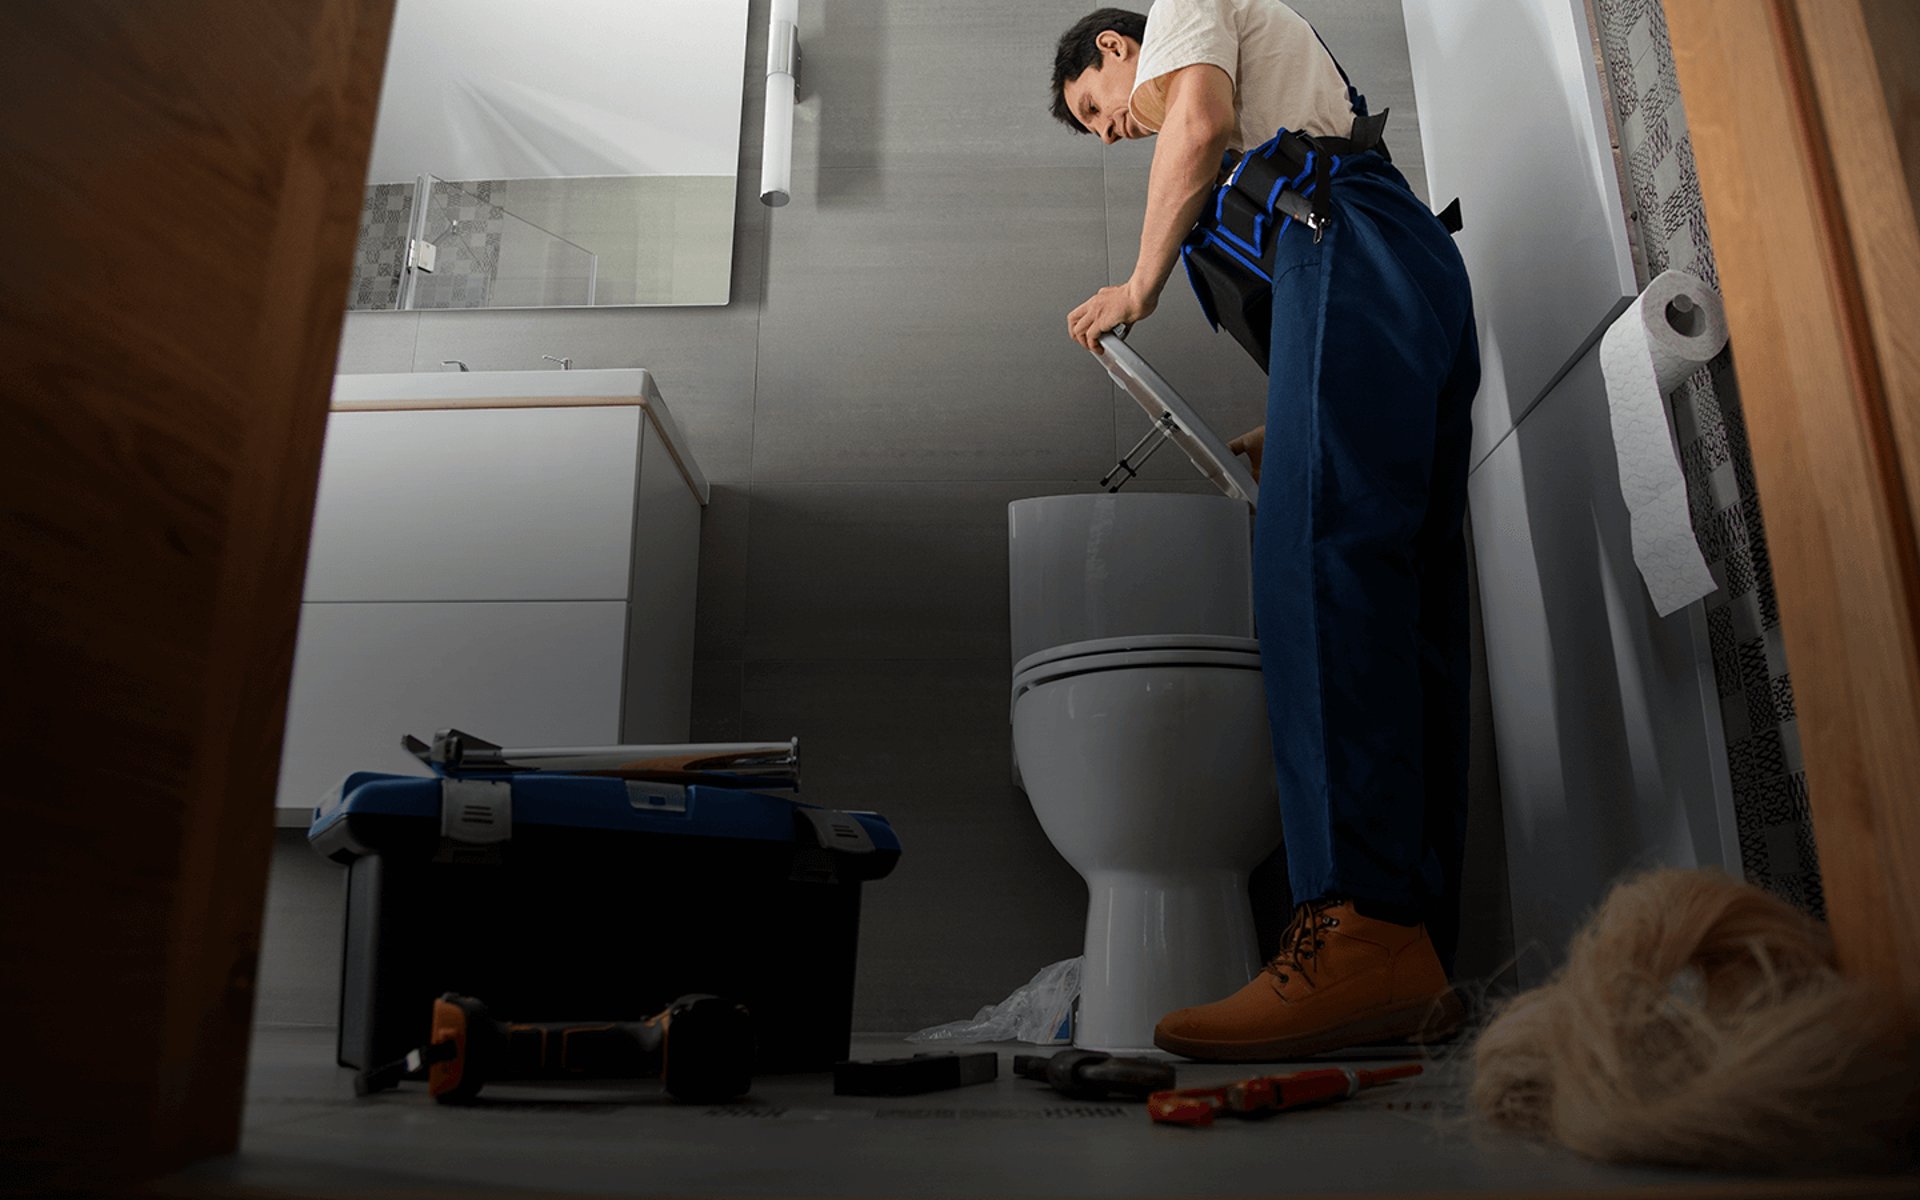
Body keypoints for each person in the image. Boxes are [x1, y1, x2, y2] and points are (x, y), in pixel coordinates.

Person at [1051, 1, 1479, 1060]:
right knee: (1402, 598)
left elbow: (1195, 122)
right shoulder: (1274, 113)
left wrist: (1139, 284)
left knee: (1312, 566)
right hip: (1404, 266)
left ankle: (1356, 928)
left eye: (1094, 106)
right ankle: (1411, 954)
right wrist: (1287, 411)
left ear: (1117, 47)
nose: (1108, 133)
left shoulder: (1191, 15)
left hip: (1345, 235)